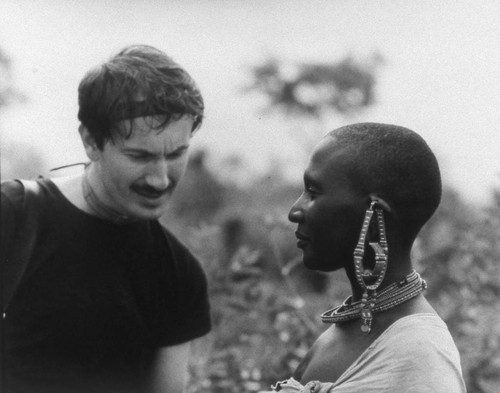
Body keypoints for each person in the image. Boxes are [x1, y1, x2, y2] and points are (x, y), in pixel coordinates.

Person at [1, 45, 211, 393]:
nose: (160, 178)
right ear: (90, 142)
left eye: (176, 153)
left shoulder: (178, 273)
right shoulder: (13, 215)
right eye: (139, 156)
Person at [272, 123, 466, 392]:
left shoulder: (420, 353)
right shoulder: (345, 331)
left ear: (374, 216)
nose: (295, 211)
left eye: (313, 193)